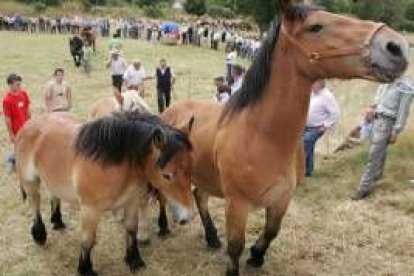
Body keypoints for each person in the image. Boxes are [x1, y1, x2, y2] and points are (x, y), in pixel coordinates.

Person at [352, 77, 414, 200]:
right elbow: (379, 99)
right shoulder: (386, 81)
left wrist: (396, 130)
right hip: (377, 119)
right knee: (379, 151)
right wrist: (371, 108)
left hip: (387, 122)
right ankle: (377, 175)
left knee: (373, 155)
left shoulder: (406, 87)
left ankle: (363, 188)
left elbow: (403, 111)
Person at [303, 79, 340, 177]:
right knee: (307, 146)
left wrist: (326, 125)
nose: (311, 85)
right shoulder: (312, 93)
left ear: (320, 83)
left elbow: (335, 113)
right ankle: (308, 171)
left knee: (306, 143)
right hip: (305, 126)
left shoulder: (327, 96)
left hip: (317, 128)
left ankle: (301, 170)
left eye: (314, 83)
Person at [3, 74, 31, 171]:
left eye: (20, 84)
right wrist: (11, 134)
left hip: (27, 126)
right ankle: (10, 160)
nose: (19, 86)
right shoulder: (7, 100)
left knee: (28, 146)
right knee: (19, 148)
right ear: (10, 85)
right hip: (17, 129)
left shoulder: (23, 94)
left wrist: (30, 123)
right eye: (17, 84)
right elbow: (7, 118)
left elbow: (27, 109)